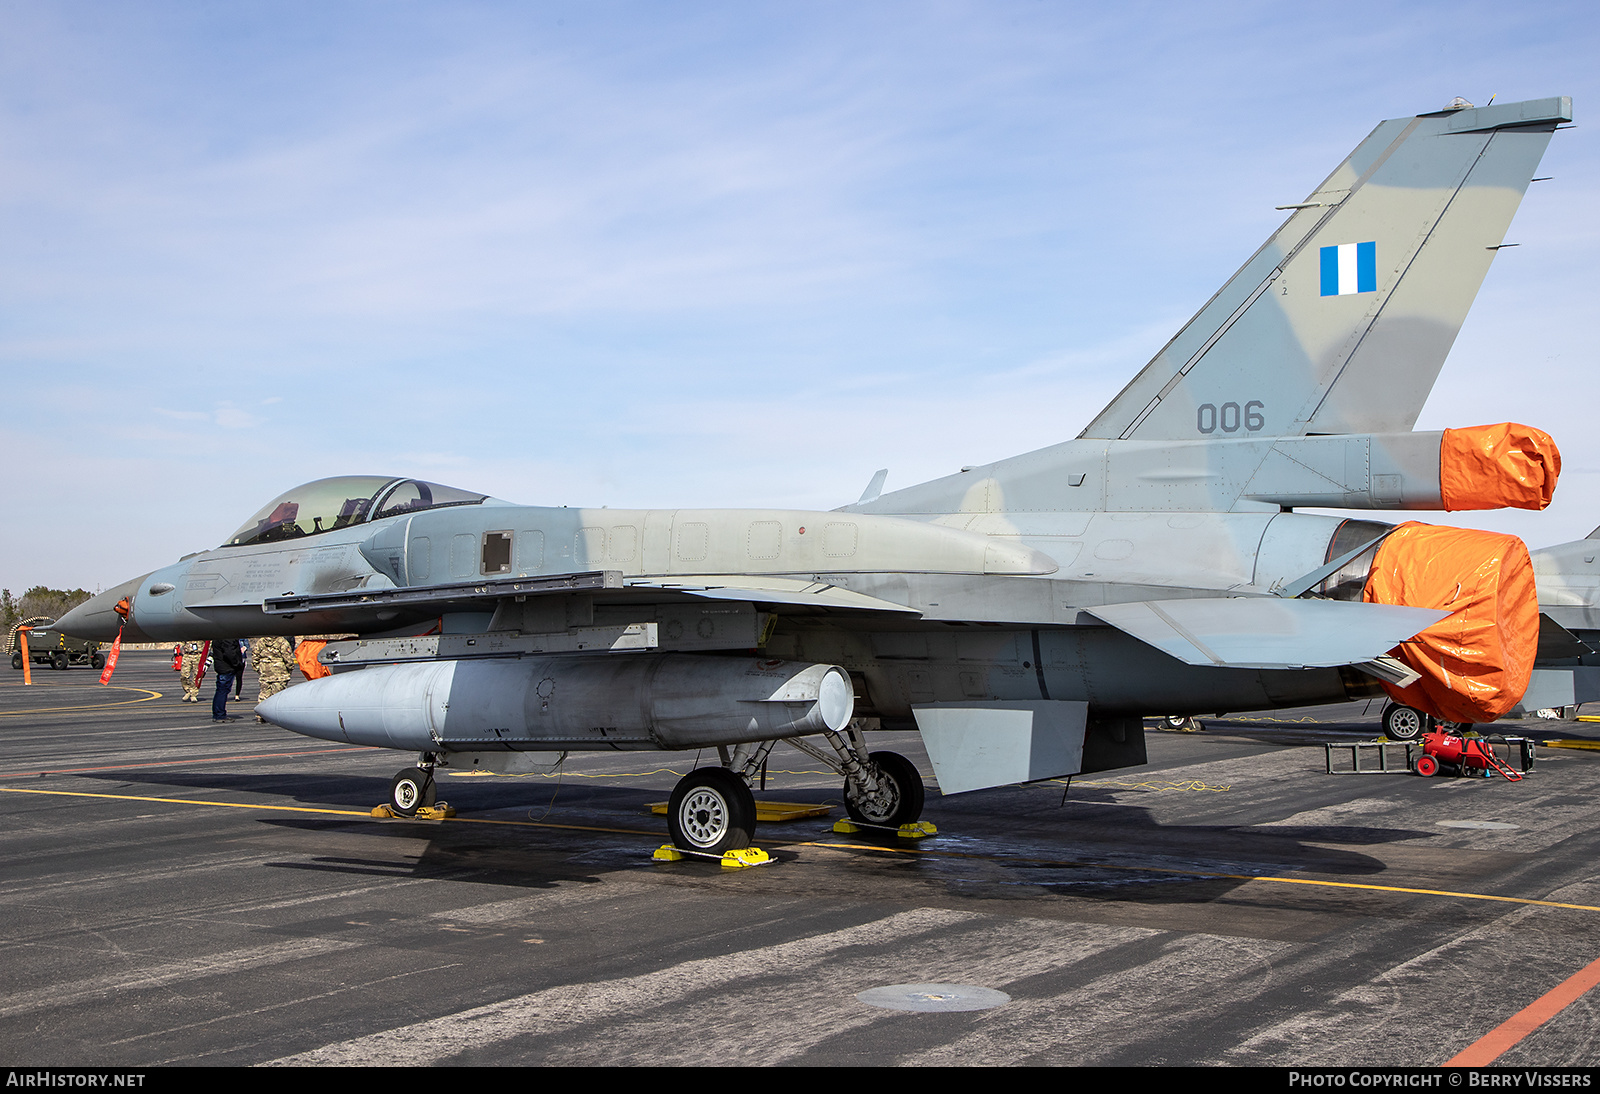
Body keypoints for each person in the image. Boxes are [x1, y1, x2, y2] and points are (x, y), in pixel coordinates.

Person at [251, 635, 296, 722]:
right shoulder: (282, 642)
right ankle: (276, 716)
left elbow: (254, 657)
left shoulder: (261, 642)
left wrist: (259, 669)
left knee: (264, 694)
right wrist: (289, 670)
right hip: (279, 673)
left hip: (265, 672)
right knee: (278, 695)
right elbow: (288, 659)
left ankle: (261, 715)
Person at [211, 638, 244, 721]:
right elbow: (229, 653)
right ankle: (219, 714)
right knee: (222, 691)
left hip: (222, 666)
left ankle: (218, 713)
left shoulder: (218, 637)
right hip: (226, 667)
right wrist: (237, 663)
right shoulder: (227, 638)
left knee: (220, 690)